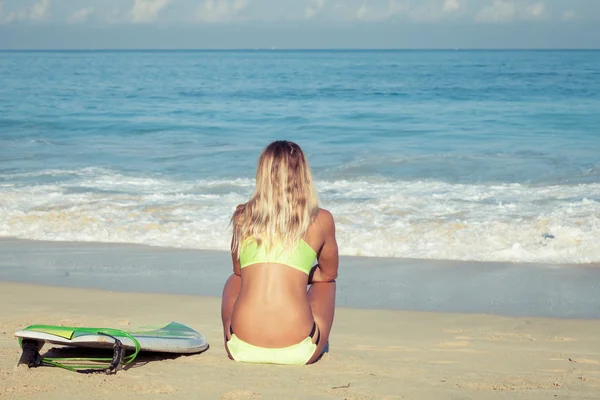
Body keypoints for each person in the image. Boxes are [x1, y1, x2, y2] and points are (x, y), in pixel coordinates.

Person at [221, 140, 338, 365]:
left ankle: (230, 332)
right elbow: (328, 274)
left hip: (242, 348)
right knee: (327, 284)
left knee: (235, 279)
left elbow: (240, 271)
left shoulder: (242, 216)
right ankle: (311, 335)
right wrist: (298, 276)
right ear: (303, 174)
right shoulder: (321, 219)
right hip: (300, 350)